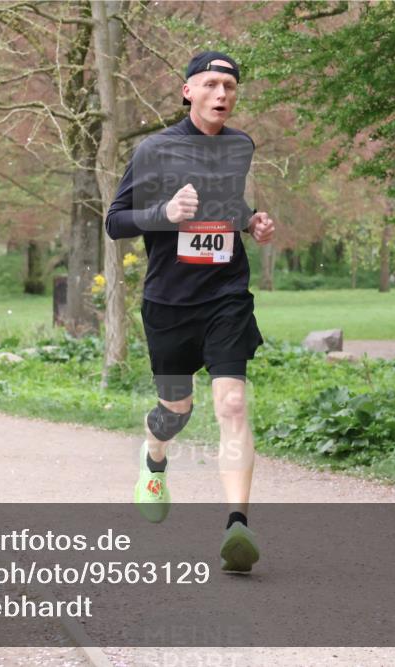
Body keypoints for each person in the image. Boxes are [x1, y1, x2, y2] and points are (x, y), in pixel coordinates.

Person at [104, 51, 276, 573]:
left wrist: (252, 223)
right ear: (187, 91)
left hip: (225, 294)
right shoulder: (154, 150)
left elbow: (226, 205)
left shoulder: (241, 144)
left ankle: (237, 527)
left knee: (232, 405)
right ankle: (154, 454)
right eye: (211, 84)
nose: (222, 94)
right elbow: (115, 221)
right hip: (169, 302)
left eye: (230, 85)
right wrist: (164, 214)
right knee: (176, 412)